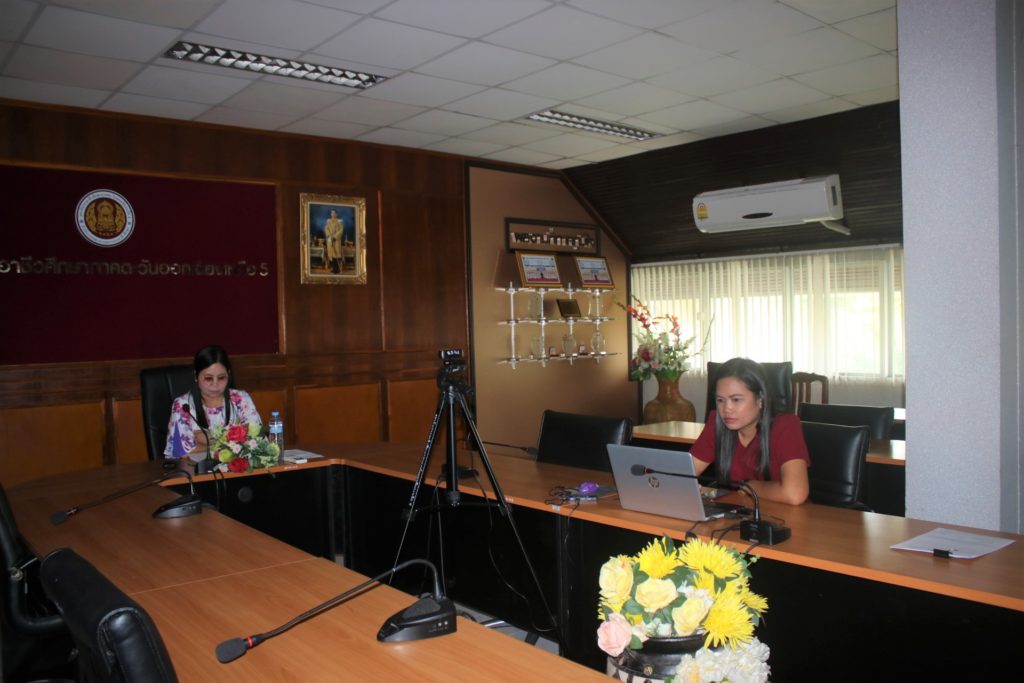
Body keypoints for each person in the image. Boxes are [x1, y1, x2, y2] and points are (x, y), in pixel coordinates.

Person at [690, 357, 810, 505]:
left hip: (787, 514)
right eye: (720, 400)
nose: (726, 409)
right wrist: (685, 485)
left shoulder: (786, 425)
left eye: (736, 400)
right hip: (740, 510)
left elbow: (794, 494)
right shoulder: (717, 422)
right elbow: (684, 472)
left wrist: (750, 486)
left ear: (760, 399)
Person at [164, 345, 261, 459]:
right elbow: (182, 452)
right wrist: (231, 441)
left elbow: (256, 441)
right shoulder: (183, 405)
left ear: (228, 374)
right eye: (208, 378)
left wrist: (203, 439)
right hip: (195, 468)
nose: (215, 384)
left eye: (221, 377)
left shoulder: (241, 399)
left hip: (238, 467)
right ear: (196, 376)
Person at [324, 209, 344, 274]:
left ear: (336, 214)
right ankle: (333, 268)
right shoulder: (328, 222)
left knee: (336, 254)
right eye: (332, 213)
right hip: (330, 240)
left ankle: (337, 270)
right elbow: (326, 229)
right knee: (331, 255)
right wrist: (330, 235)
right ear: (331, 214)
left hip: (336, 240)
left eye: (334, 213)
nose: (333, 214)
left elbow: (341, 230)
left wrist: (335, 236)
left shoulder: (339, 222)